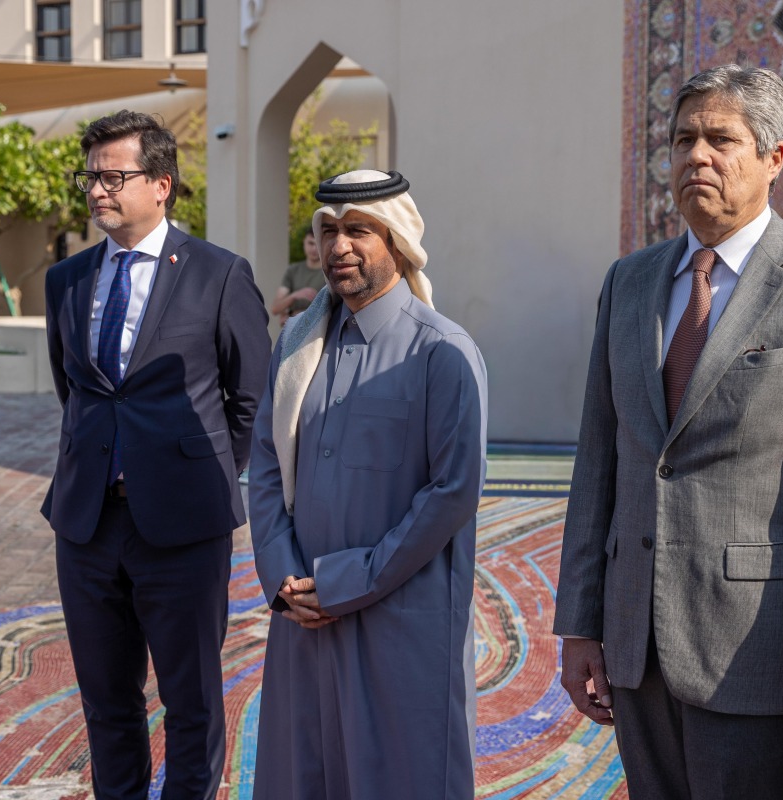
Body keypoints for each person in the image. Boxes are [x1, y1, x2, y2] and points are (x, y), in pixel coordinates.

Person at [553, 64, 783, 798]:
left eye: (720, 139)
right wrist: (579, 624)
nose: (696, 156)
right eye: (683, 139)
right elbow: (599, 464)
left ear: (774, 158)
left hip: (760, 656)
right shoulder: (629, 283)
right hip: (637, 651)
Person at [40, 110, 270, 799]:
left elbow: (249, 399)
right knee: (106, 700)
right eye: (90, 177)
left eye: (114, 177)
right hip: (86, 525)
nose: (97, 190)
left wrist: (199, 477)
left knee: (190, 701)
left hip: (183, 527)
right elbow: (76, 391)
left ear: (162, 184)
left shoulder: (219, 274)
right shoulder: (66, 279)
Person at [249, 169, 488, 800]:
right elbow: (266, 464)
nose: (339, 246)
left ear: (398, 243)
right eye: (329, 231)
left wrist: (347, 581)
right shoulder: (296, 347)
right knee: (301, 778)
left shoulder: (441, 352)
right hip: (303, 619)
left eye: (359, 230)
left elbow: (452, 492)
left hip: (400, 624)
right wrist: (283, 576)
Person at [269, 224, 326, 323]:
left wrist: (293, 315)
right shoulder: (293, 270)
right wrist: (294, 295)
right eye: (310, 243)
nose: (314, 249)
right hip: (294, 328)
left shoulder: (330, 272)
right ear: (304, 242)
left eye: (317, 244)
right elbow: (275, 308)